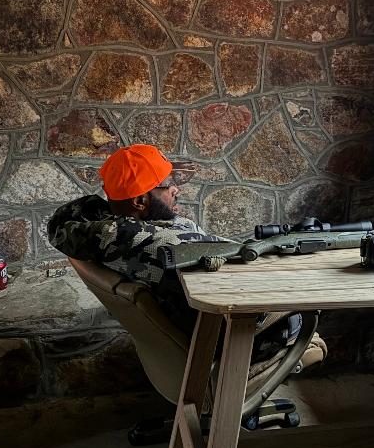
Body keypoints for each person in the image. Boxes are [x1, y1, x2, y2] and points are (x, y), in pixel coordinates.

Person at [46, 144, 302, 355]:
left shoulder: (100, 230)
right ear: (140, 201)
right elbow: (246, 283)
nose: (176, 189)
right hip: (232, 339)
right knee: (301, 310)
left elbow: (64, 219)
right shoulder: (169, 245)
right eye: (167, 184)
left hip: (191, 332)